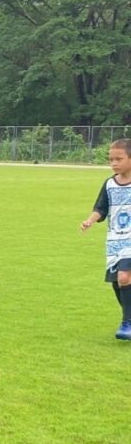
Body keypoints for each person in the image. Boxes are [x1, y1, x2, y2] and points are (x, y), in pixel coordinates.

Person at [81, 139, 131, 340]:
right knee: (117, 283)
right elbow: (101, 208)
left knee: (124, 277)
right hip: (114, 240)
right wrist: (89, 220)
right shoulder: (110, 184)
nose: (114, 163)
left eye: (119, 159)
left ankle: (127, 324)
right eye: (111, 159)